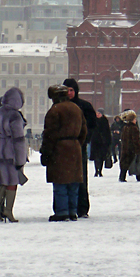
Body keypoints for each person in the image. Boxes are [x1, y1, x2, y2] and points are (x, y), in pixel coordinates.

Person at [41, 84, 87, 221]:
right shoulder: (76, 108)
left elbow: (50, 134)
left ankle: (62, 212)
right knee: (73, 182)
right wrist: (77, 143)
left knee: (60, 182)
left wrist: (46, 152)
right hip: (75, 147)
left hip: (60, 149)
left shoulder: (54, 111)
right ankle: (73, 211)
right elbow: (84, 130)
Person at [0, 87, 28, 222]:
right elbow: (18, 139)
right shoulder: (15, 115)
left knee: (3, 180)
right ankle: (8, 210)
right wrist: (21, 159)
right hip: (11, 151)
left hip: (1, 149)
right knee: (13, 181)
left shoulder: (0, 111)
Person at [63, 79, 97, 218]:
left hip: (78, 147)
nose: (70, 93)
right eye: (67, 90)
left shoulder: (84, 106)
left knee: (80, 177)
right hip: (63, 148)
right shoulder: (60, 106)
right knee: (64, 178)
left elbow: (91, 125)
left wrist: (83, 140)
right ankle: (65, 207)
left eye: (72, 90)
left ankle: (82, 208)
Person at [118, 109, 140, 181]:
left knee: (125, 164)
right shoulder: (134, 128)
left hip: (126, 149)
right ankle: (139, 177)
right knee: (137, 163)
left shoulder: (125, 127)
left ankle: (122, 177)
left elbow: (123, 138)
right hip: (133, 149)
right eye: (134, 119)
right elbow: (135, 140)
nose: (135, 120)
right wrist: (138, 149)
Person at [90, 108, 112, 177]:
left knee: (102, 157)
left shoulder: (105, 121)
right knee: (96, 158)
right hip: (95, 142)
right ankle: (96, 170)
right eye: (97, 113)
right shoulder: (93, 121)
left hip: (103, 143)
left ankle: (100, 170)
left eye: (99, 113)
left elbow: (107, 132)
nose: (97, 115)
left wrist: (108, 141)